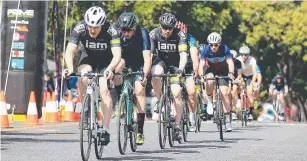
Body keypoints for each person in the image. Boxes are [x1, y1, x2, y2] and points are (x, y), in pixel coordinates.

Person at [64, 6, 122, 145]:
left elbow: (117, 55)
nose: (92, 29)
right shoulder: (80, 28)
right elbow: (69, 51)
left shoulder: (111, 30)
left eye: (96, 26)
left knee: (105, 91)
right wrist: (70, 69)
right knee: (82, 77)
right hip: (88, 58)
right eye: (90, 25)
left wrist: (110, 69)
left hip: (106, 62)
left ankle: (106, 130)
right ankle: (85, 107)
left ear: (102, 24)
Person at [115, 12, 151, 145]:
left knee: (140, 90)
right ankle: (121, 99)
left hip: (140, 62)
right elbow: (114, 55)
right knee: (116, 69)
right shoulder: (118, 33)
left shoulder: (143, 33)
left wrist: (145, 75)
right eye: (123, 30)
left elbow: (148, 58)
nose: (125, 33)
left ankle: (140, 131)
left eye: (128, 30)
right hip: (124, 59)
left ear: (134, 28)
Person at [150, 13, 188, 140]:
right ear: (160, 26)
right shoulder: (154, 34)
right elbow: (150, 55)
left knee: (176, 93)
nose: (167, 31)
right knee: (155, 73)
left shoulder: (180, 34)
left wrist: (181, 69)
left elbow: (183, 54)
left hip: (175, 65)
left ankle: (177, 126)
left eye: (170, 28)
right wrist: (146, 69)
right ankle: (160, 99)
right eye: (165, 28)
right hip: (161, 62)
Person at [199, 32, 235, 132]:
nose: (213, 47)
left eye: (216, 45)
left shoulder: (225, 49)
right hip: (210, 69)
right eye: (211, 45)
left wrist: (231, 72)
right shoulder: (206, 49)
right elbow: (201, 65)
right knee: (209, 81)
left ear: (220, 44)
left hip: (223, 69)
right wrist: (202, 76)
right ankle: (210, 101)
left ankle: (228, 121)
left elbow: (230, 63)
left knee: (224, 94)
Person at [175, 21, 199, 131]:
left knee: (191, 91)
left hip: (189, 67)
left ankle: (191, 116)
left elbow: (194, 55)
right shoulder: (172, 38)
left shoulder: (191, 39)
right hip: (176, 67)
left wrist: (195, 69)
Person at [236, 46, 258, 121]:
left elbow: (255, 73)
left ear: (248, 55)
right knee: (239, 85)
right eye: (242, 54)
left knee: (249, 93)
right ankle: (239, 98)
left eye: (245, 55)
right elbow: (238, 73)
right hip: (242, 74)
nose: (244, 56)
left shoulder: (252, 60)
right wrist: (239, 80)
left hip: (250, 76)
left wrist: (252, 83)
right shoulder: (238, 59)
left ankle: (250, 112)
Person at [229, 50, 242, 120]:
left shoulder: (238, 62)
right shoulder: (225, 61)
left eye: (233, 58)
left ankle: (233, 111)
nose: (231, 60)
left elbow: (239, 74)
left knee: (233, 92)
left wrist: (237, 79)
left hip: (235, 79)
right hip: (227, 78)